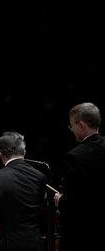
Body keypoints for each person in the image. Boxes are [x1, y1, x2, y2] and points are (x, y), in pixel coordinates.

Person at [0, 131, 46, 251]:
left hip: (6, 245)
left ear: (1, 155)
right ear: (24, 152)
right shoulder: (40, 176)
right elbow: (41, 210)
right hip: (35, 243)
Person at [53, 102, 105, 251]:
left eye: (72, 125)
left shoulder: (74, 157)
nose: (71, 130)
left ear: (81, 125)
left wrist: (60, 199)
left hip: (83, 233)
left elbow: (75, 201)